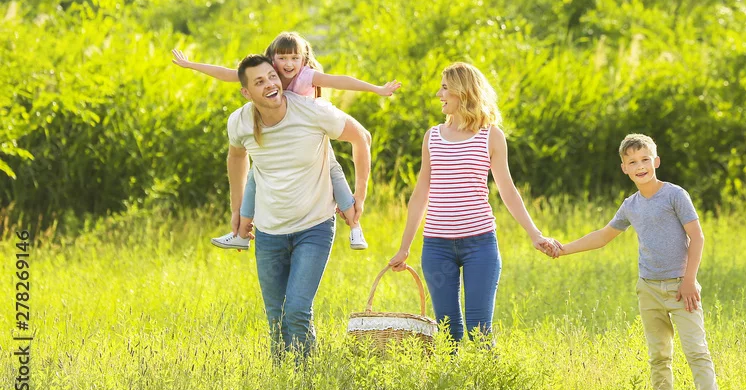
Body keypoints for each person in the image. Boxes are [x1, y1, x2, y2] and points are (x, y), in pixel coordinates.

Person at [172, 31, 399, 250]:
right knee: (254, 177)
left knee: (334, 173)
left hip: (310, 131)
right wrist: (191, 65)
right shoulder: (269, 73)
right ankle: (241, 234)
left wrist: (376, 89)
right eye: (282, 58)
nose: (288, 64)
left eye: (294, 58)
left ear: (303, 59)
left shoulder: (306, 75)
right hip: (282, 134)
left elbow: (340, 81)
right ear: (272, 58)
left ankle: (355, 227)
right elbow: (228, 73)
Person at [551, 133, 723, 390]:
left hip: (682, 288)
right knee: (659, 356)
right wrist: (563, 249)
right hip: (648, 289)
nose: (640, 166)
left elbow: (697, 236)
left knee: (696, 352)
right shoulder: (630, 205)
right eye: (632, 162)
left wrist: (689, 280)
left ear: (656, 161)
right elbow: (603, 236)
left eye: (645, 159)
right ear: (624, 168)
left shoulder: (675, 195)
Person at [387, 62, 558, 343]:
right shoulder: (432, 137)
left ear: (463, 92)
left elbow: (508, 190)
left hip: (480, 245)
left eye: (445, 88)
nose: (439, 94)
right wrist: (404, 248)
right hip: (437, 247)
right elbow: (420, 195)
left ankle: (486, 374)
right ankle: (451, 374)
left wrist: (535, 234)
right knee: (448, 334)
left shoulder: (491, 136)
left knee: (479, 332)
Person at [227, 54, 371, 359]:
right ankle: (282, 381)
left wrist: (360, 195)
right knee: (276, 318)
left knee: (296, 310)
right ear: (246, 92)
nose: (270, 84)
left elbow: (361, 137)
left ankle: (306, 380)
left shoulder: (312, 110)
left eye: (272, 76)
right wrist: (237, 209)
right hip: (269, 233)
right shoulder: (240, 121)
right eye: (259, 81)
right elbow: (236, 156)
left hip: (314, 227)